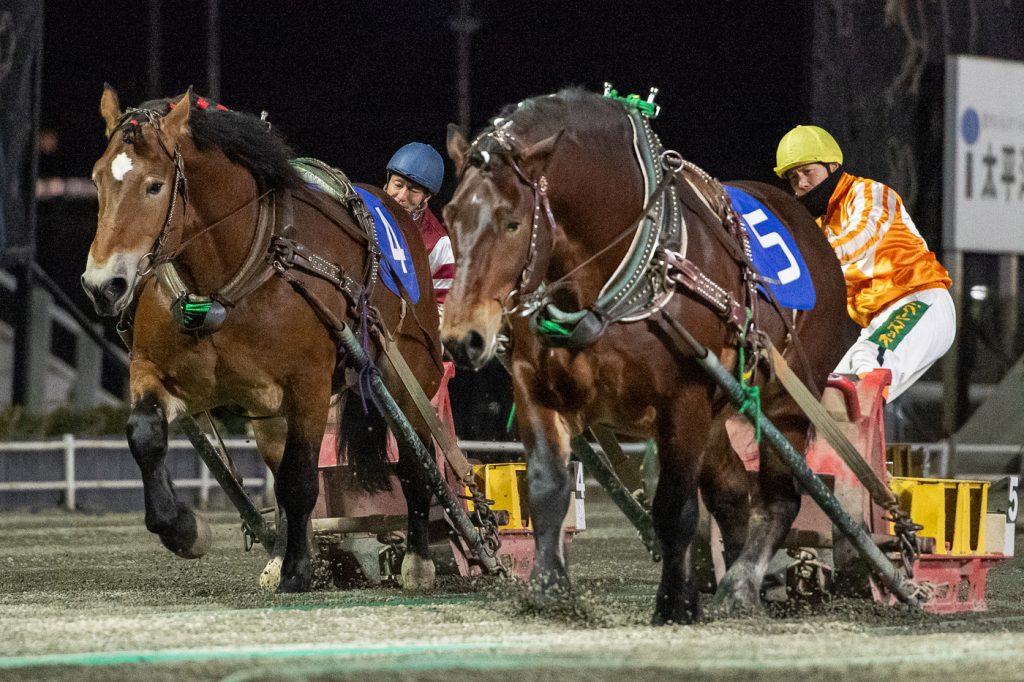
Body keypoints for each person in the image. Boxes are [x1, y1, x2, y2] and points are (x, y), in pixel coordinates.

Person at [774, 125, 955, 402]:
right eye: (793, 177)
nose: (801, 184)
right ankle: (847, 446)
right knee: (828, 393)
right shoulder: (820, 226)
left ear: (833, 166)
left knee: (866, 362)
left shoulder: (869, 193)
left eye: (807, 172)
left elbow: (860, 240)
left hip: (919, 302)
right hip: (880, 322)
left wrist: (799, 258)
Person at [383, 142, 454, 315]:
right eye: (398, 185)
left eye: (413, 191)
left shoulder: (438, 243)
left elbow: (441, 309)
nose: (401, 197)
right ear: (388, 181)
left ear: (426, 197)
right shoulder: (361, 205)